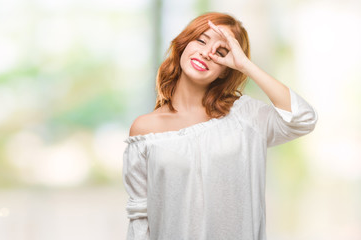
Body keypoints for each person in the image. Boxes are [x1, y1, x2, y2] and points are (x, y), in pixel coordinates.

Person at [122, 11, 318, 240]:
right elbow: (140, 217)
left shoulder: (246, 117)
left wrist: (245, 65)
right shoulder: (145, 129)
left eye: (221, 52)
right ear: (184, 45)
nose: (207, 53)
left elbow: (303, 118)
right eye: (201, 40)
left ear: (227, 67)